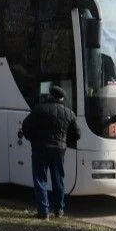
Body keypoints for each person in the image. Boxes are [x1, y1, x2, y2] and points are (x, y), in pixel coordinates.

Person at [21, 85, 81, 220]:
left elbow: (26, 126)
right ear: (61, 98)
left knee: (40, 179)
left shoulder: (39, 109)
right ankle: (59, 210)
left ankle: (43, 212)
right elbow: (77, 134)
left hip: (40, 148)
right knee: (58, 179)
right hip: (59, 151)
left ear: (50, 95)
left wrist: (33, 139)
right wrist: (64, 141)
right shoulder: (69, 113)